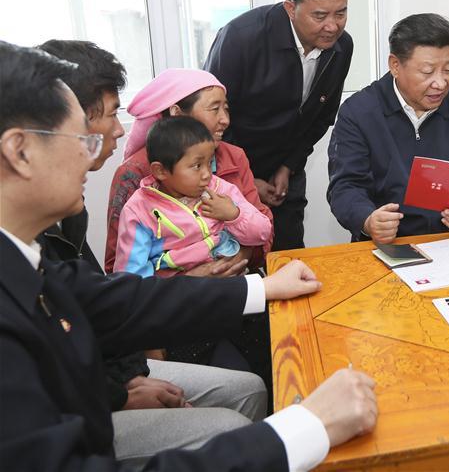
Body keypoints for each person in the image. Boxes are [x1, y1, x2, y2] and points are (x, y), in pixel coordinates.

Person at [0, 41, 378, 471]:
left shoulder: (29, 251)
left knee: (253, 385)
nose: (106, 142)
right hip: (95, 427)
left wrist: (260, 287)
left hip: (102, 394)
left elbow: (117, 300)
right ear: (20, 151)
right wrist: (305, 427)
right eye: (83, 136)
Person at [34, 40, 269, 465]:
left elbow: (88, 303)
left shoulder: (64, 213)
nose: (119, 129)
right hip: (90, 389)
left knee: (256, 381)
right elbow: (119, 279)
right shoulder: (133, 186)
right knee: (231, 418)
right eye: (108, 115)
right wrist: (121, 387)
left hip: (117, 358)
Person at [205, 0, 353, 251]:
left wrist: (289, 165)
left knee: (288, 257)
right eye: (320, 16)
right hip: (228, 174)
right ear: (290, 8)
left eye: (341, 13)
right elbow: (208, 116)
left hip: (284, 173)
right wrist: (245, 179)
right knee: (237, 265)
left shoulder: (341, 47)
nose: (333, 26)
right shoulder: (242, 37)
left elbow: (320, 117)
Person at [327, 13, 449, 244]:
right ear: (395, 65)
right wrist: (368, 220)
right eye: (428, 72)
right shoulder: (358, 113)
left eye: (448, 69)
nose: (440, 83)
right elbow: (346, 186)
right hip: (389, 246)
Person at [107, 68, 272, 274]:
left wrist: (235, 259)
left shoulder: (234, 157)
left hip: (237, 278)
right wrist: (190, 280)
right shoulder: (135, 174)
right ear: (177, 113)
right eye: (214, 109)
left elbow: (264, 228)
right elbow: (121, 270)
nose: (225, 120)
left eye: (226, 109)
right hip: (172, 298)